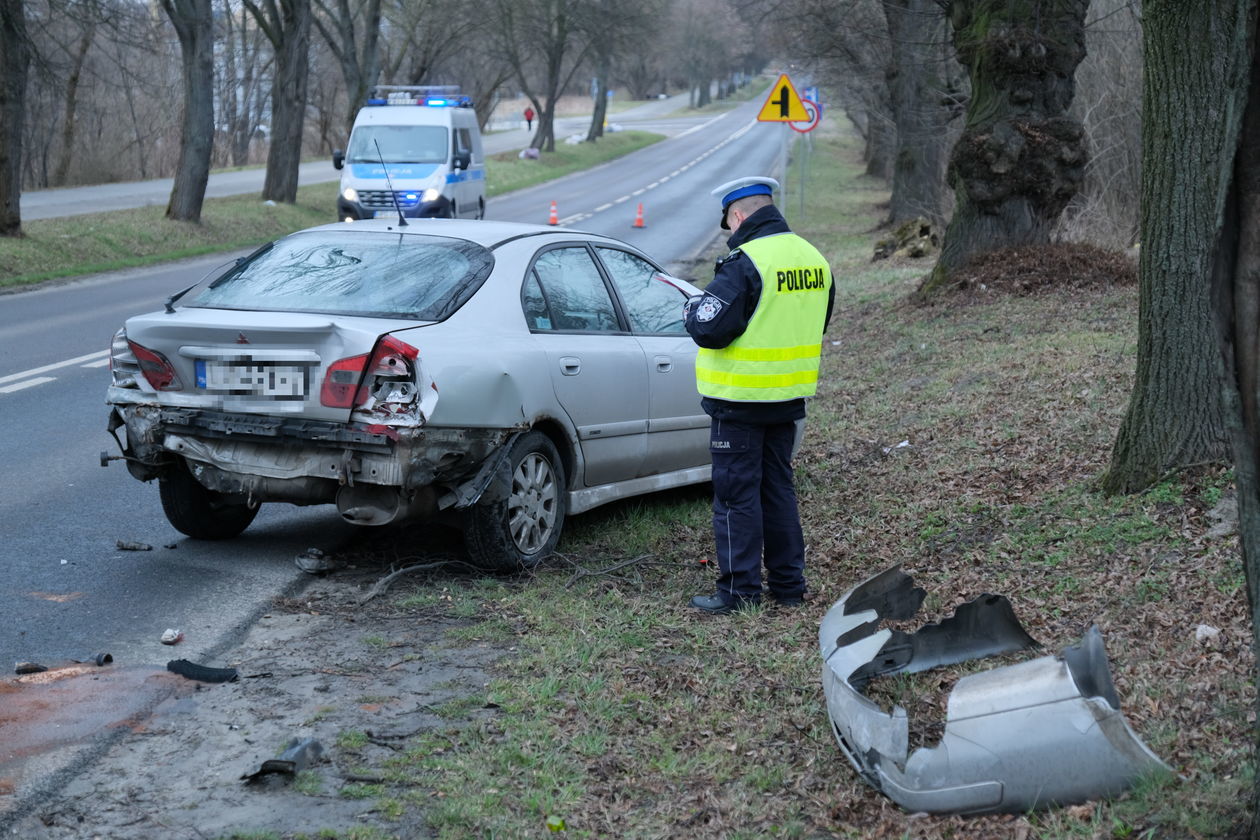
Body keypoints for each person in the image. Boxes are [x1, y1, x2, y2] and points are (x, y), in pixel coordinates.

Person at [684, 176, 834, 615]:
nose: (730, 233)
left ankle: (738, 591)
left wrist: (691, 307)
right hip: (787, 400)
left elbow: (708, 328)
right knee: (778, 491)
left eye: (728, 224)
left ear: (738, 215)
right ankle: (789, 586)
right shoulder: (814, 258)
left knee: (736, 497)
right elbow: (816, 322)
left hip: (739, 401)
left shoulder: (745, 261)